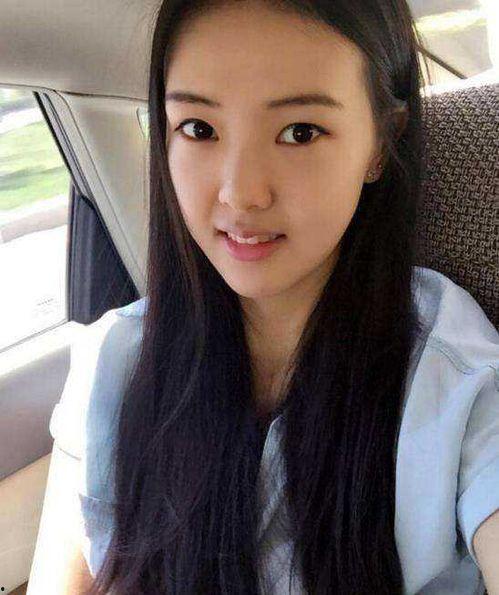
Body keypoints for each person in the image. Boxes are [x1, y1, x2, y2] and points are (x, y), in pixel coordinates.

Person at [35, 0, 499, 593]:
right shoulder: (113, 365)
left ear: (380, 145)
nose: (240, 193)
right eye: (199, 129)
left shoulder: (453, 376)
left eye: (299, 132)